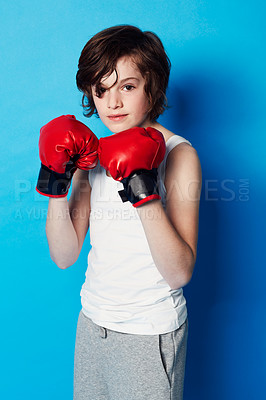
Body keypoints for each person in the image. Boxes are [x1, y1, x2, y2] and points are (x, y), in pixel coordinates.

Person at [36, 25, 202, 400]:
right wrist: (54, 182)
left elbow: (180, 272)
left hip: (149, 332)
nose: (112, 103)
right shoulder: (88, 155)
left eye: (127, 86)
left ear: (152, 87)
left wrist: (142, 187)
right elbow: (64, 256)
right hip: (92, 323)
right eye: (101, 89)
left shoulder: (179, 154)